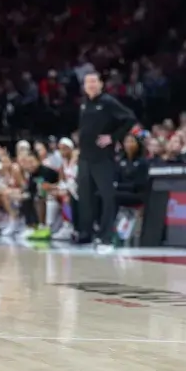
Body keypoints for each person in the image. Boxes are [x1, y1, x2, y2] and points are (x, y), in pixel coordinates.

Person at [76, 72, 137, 247]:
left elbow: (130, 118)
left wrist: (113, 137)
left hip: (102, 157)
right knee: (85, 197)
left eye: (94, 81)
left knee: (107, 196)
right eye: (88, 82)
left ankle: (106, 235)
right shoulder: (84, 104)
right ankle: (85, 232)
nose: (91, 85)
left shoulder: (108, 102)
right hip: (85, 157)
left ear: (101, 84)